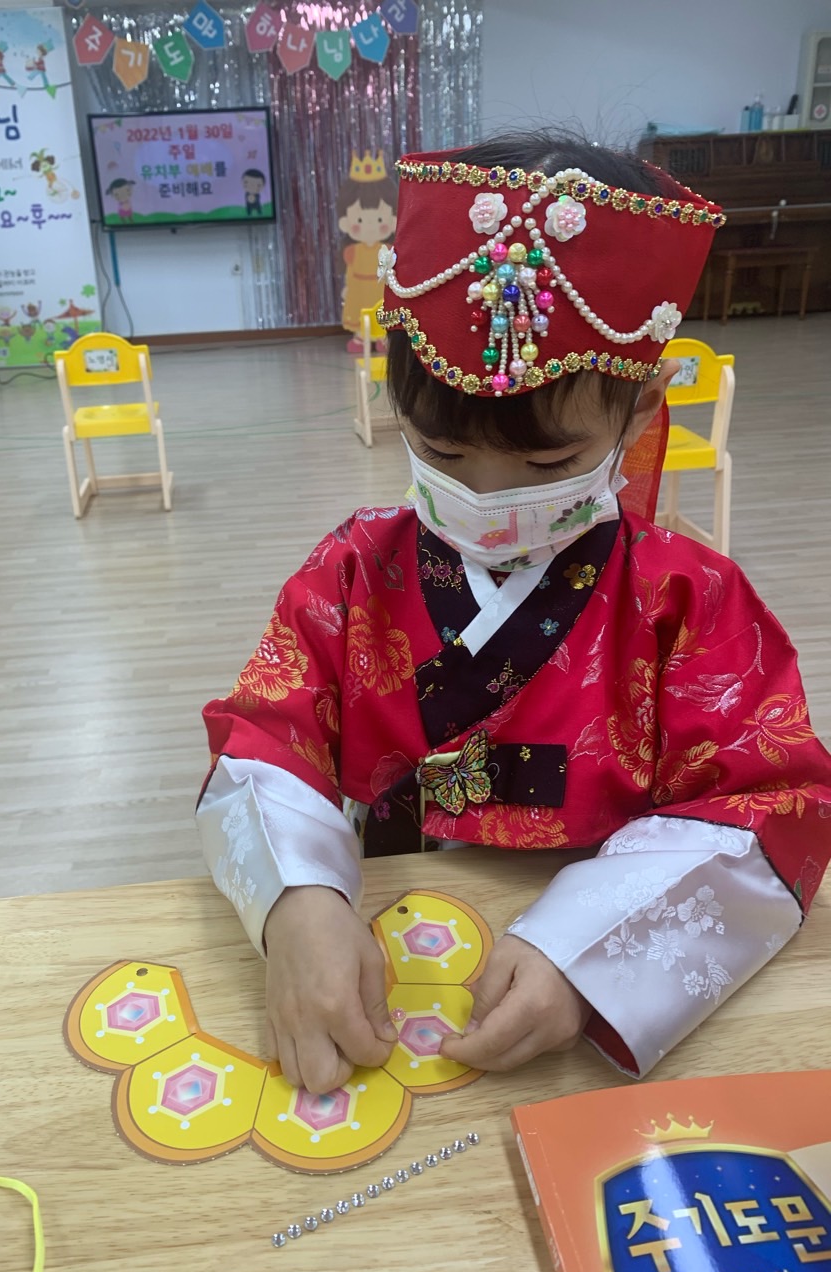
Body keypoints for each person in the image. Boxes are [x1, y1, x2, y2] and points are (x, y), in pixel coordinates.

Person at [197, 129, 831, 1097]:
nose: (487, 499)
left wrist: (594, 949)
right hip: (391, 944)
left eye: (547, 463)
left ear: (642, 408)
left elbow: (772, 802)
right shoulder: (353, 573)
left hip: (569, 981)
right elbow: (264, 741)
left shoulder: (686, 602)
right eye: (441, 453)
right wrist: (297, 900)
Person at [337, 151, 398, 352]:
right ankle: (361, 336)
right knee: (360, 311)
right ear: (345, 221)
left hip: (380, 289)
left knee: (381, 309)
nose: (370, 225)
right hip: (359, 288)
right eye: (361, 220)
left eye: (379, 219)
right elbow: (349, 272)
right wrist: (347, 288)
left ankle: (382, 335)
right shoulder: (352, 251)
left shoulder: (388, 249)